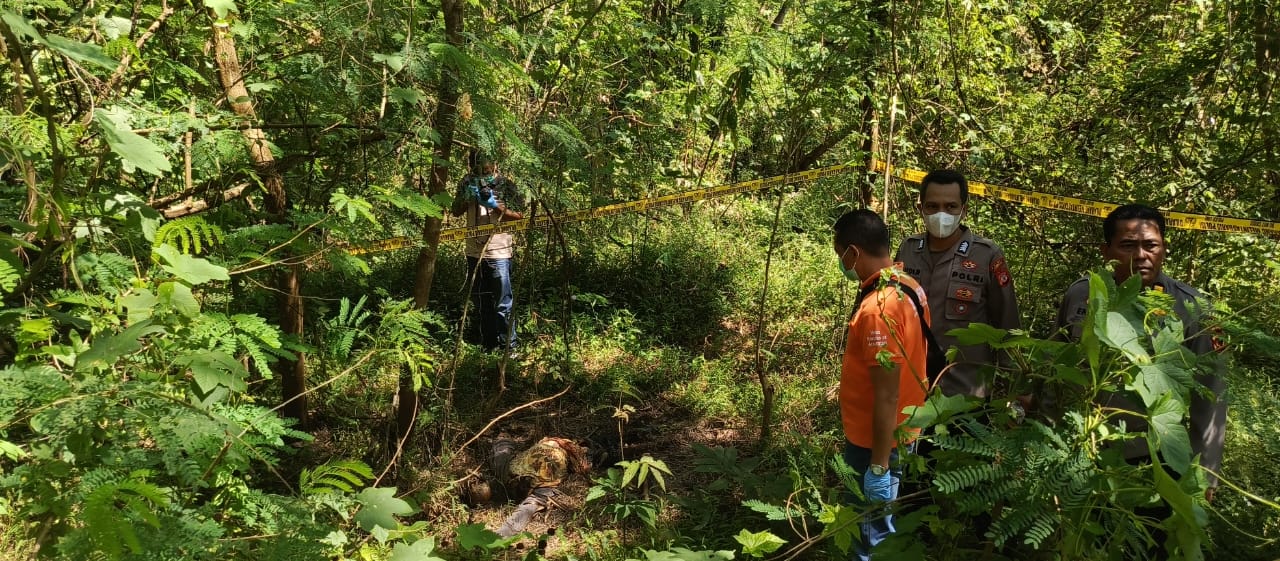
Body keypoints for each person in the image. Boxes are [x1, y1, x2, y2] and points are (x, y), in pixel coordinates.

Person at [1055, 204, 1227, 500]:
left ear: (1164, 249)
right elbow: (1056, 365)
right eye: (1127, 246)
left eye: (1151, 246)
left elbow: (1212, 392)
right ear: (1105, 251)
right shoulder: (1081, 294)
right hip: (1080, 446)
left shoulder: (1194, 309)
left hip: (1154, 455)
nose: (1140, 256)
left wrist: (1206, 471)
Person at [834, 209, 931, 559]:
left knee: (869, 536)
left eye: (840, 255)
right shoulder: (908, 286)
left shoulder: (878, 309)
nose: (842, 264)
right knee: (881, 529)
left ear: (853, 253)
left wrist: (877, 465)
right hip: (902, 432)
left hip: (875, 443)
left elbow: (887, 393)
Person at [895, 169, 1021, 398]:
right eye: (932, 206)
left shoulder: (987, 256)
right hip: (911, 393)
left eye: (950, 207)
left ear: (964, 210)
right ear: (920, 208)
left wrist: (1015, 390)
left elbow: (1008, 326)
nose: (941, 214)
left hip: (965, 397)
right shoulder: (908, 250)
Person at [451, 151, 525, 354]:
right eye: (477, 168)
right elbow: (455, 211)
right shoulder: (466, 182)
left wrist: (496, 207)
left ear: (495, 164)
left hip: (499, 251)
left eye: (486, 168)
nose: (483, 172)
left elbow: (520, 215)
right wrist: (468, 197)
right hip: (474, 251)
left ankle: (509, 346)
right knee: (482, 301)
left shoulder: (506, 184)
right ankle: (488, 344)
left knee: (503, 301)